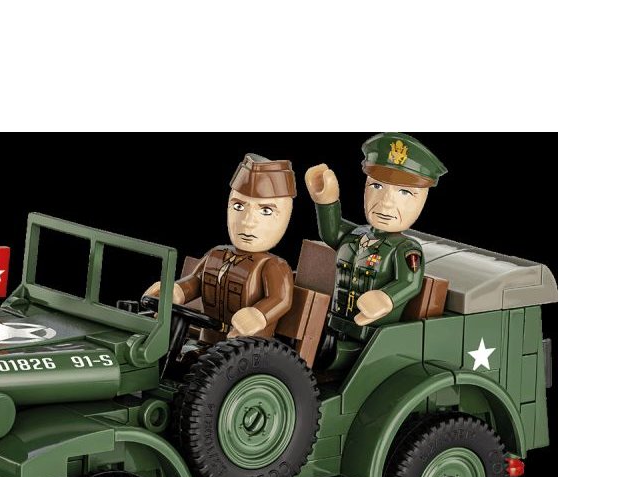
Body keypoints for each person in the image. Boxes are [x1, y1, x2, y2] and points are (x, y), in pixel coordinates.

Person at [306, 133, 446, 357]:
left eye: (404, 192)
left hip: (372, 339)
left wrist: (385, 298)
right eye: (377, 186)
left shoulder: (405, 249)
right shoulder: (355, 235)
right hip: (335, 324)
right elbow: (331, 232)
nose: (386, 202)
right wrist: (326, 201)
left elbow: (409, 282)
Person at [146, 154, 296, 344]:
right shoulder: (216, 254)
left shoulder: (274, 266)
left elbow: (280, 299)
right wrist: (175, 291)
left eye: (265, 211)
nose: (248, 222)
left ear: (285, 217)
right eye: (239, 206)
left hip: (248, 349)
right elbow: (196, 281)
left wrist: (258, 314)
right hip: (207, 341)